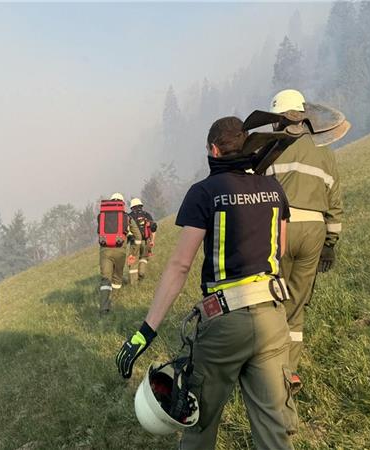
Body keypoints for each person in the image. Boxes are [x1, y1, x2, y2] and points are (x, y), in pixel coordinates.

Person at [115, 117, 298, 449]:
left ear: (214, 149)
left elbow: (180, 265)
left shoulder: (205, 192)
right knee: (274, 430)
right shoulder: (274, 188)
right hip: (273, 315)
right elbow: (280, 249)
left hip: (226, 323)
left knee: (199, 422)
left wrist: (145, 332)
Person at [267, 89, 343, 391]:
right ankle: (290, 372)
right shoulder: (325, 152)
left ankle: (269, 368)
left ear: (278, 119)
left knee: (274, 297)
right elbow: (334, 201)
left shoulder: (271, 148)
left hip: (280, 228)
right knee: (298, 303)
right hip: (314, 232)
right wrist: (330, 243)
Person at [97, 193, 142, 313]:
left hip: (104, 251)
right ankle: (115, 301)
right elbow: (138, 236)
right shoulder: (127, 217)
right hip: (120, 251)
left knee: (105, 279)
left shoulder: (101, 216)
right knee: (117, 279)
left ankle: (104, 308)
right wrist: (133, 252)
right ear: (122, 204)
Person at [127, 197, 158, 285]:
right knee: (143, 258)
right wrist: (152, 241)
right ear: (141, 206)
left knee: (132, 261)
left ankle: (133, 283)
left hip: (135, 243)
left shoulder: (129, 216)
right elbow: (153, 228)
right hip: (146, 241)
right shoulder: (147, 214)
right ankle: (141, 274)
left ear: (132, 207)